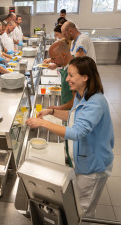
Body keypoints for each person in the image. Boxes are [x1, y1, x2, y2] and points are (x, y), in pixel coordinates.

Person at [26, 56, 114, 222]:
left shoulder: (95, 103)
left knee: (83, 211)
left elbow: (77, 132)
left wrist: (43, 123)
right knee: (76, 205)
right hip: (82, 161)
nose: (67, 79)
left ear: (85, 77)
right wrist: (51, 112)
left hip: (93, 167)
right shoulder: (82, 95)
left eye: (71, 75)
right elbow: (73, 117)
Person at [48, 40, 74, 110]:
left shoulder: (74, 70)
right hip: (65, 107)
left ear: (63, 55)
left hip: (70, 112)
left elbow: (75, 101)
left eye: (54, 58)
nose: (52, 61)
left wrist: (57, 109)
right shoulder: (66, 64)